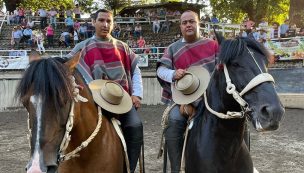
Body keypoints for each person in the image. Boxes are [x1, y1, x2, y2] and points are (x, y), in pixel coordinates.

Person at [67, 9, 143, 173]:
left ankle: (128, 167)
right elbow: (68, 70)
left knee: (136, 126)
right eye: (101, 20)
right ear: (93, 22)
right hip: (93, 102)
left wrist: (137, 94)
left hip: (121, 101)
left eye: (109, 21)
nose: (105, 24)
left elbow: (136, 70)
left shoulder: (123, 47)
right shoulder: (82, 48)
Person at [156, 10, 218, 172]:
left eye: (192, 21)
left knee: (237, 120)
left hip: (212, 98)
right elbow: (161, 70)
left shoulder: (213, 45)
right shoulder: (172, 48)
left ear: (198, 24)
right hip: (182, 98)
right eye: (184, 23)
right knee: (173, 120)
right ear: (180, 26)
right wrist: (173, 74)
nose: (188, 25)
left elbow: (223, 70)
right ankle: (177, 169)